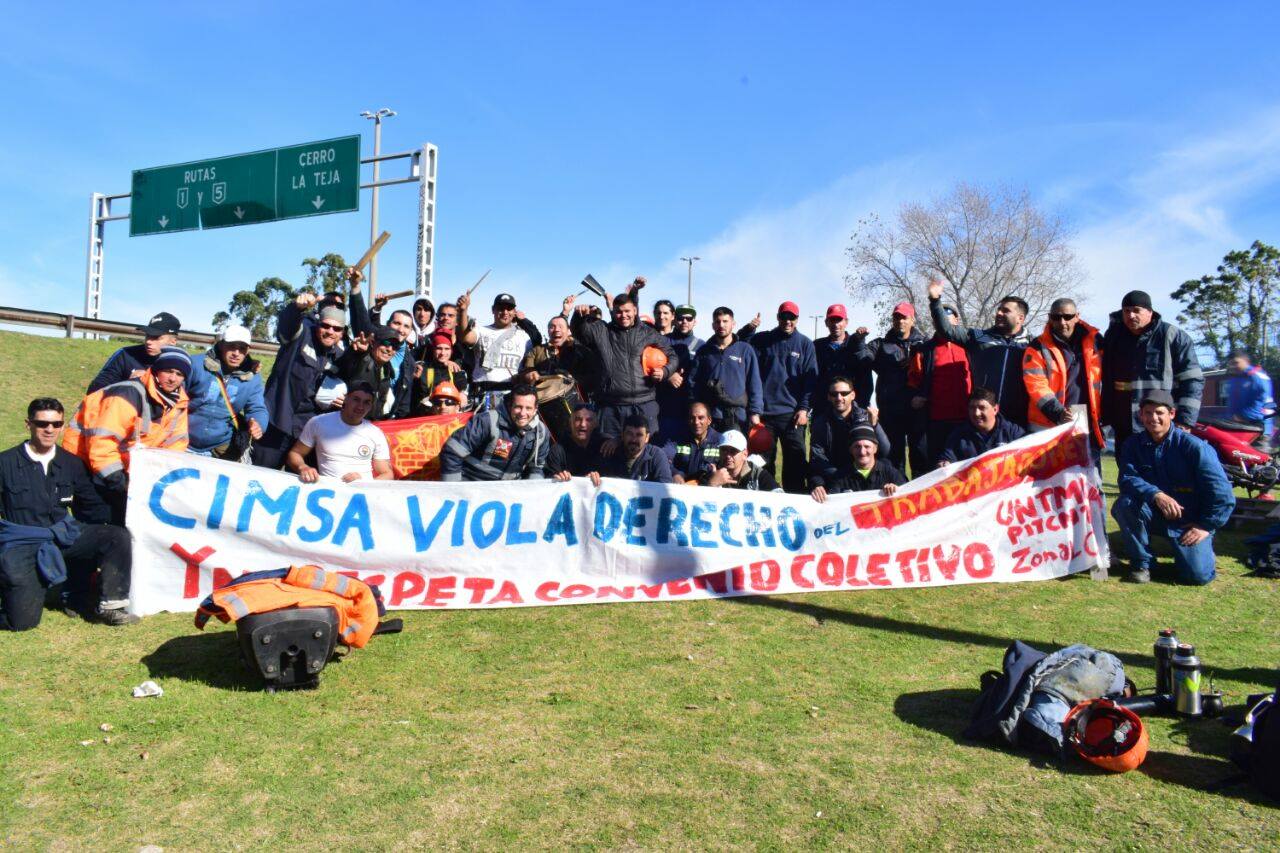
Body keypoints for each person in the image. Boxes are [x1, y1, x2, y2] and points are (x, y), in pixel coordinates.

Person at [0, 399, 136, 628]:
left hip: (62, 535)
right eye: (42, 423)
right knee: (22, 622)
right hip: (22, 543)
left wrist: (131, 509)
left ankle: (110, 606)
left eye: (56, 424)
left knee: (115, 536)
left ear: (62, 426)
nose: (49, 429)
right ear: (28, 424)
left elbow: (92, 505)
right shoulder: (5, 463)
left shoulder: (71, 463)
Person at [1112, 390, 1235, 584]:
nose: (1153, 418)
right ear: (1141, 415)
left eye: (1159, 412)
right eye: (1148, 413)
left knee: (1197, 577)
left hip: (1189, 521)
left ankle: (1200, 556)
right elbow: (1127, 478)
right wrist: (1156, 494)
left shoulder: (1194, 447)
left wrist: (1205, 525)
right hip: (1154, 514)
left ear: (1172, 414)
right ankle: (1142, 564)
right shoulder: (1132, 445)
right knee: (1124, 504)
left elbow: (1221, 492)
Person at [63, 347, 191, 524]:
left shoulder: (179, 403)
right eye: (168, 371)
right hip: (88, 466)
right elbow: (103, 443)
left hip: (127, 473)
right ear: (156, 370)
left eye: (179, 374)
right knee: (99, 526)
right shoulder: (127, 394)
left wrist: (160, 477)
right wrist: (120, 482)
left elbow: (176, 445)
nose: (173, 378)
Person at [252, 290, 348, 469]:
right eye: (326, 326)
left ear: (342, 332)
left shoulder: (341, 356)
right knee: (260, 475)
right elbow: (287, 327)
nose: (330, 331)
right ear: (318, 322)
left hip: (305, 434)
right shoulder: (302, 332)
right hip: (276, 422)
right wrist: (296, 308)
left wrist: (343, 400)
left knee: (297, 481)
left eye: (336, 329)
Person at [1100, 289, 1203, 453]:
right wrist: (1105, 419)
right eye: (1126, 311)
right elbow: (1106, 381)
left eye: (1136, 310)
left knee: (1163, 468)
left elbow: (1192, 380)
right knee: (1127, 468)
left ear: (1150, 312)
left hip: (1161, 427)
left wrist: (1185, 421)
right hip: (1124, 428)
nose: (1131, 315)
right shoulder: (1113, 338)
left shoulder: (1173, 337)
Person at [570, 293, 677, 441]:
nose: (623, 315)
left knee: (646, 448)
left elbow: (672, 356)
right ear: (613, 312)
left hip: (644, 404)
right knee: (608, 449)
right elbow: (579, 332)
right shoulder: (601, 330)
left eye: (627, 311)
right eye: (619, 312)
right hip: (610, 407)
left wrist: (665, 372)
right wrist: (578, 316)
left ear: (635, 310)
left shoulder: (648, 332)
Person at [927, 278, 1032, 427]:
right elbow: (947, 330)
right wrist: (935, 300)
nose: (999, 313)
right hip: (983, 418)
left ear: (1020, 318)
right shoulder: (979, 337)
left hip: (1019, 420)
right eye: (999, 309)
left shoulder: (1033, 344)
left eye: (1005, 311)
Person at [750, 300, 818, 493]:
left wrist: (804, 409)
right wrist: (750, 328)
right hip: (765, 415)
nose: (788, 321)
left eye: (792, 317)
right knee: (763, 464)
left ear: (797, 319)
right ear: (778, 317)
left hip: (793, 415)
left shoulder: (805, 344)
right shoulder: (763, 340)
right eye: (784, 317)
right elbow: (739, 344)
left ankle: (794, 499)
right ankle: (767, 498)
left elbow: (810, 381)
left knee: (795, 464)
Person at [1022, 298, 1104, 458]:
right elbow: (1036, 385)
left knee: (1088, 473)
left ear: (1077, 316)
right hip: (1048, 428)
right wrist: (1058, 413)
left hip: (1088, 423)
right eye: (1056, 317)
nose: (1062, 322)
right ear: (1049, 317)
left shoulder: (1096, 341)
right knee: (1049, 474)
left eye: (1067, 317)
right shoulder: (1037, 347)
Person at [852, 301, 926, 473]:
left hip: (918, 411)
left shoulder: (924, 344)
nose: (900, 321)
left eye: (904, 317)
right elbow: (863, 359)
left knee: (921, 458)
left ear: (912, 320)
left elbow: (932, 374)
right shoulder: (881, 344)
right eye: (896, 317)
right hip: (891, 412)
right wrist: (859, 341)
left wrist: (924, 395)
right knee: (893, 461)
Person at [186, 325, 268, 460]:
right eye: (231, 346)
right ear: (221, 345)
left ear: (248, 350)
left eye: (242, 348)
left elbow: (257, 408)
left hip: (220, 445)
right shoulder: (196, 364)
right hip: (183, 440)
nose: (236, 353)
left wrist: (258, 423)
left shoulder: (252, 378)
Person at [86, 310, 209, 399]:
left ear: (173, 341)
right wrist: (127, 385)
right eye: (148, 336)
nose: (149, 341)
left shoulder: (182, 364)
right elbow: (94, 391)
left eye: (156, 337)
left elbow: (188, 400)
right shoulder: (125, 355)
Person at [907, 306, 971, 474]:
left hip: (967, 420)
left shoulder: (969, 346)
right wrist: (915, 398)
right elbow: (913, 382)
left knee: (967, 471)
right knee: (937, 471)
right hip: (936, 423)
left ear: (956, 320)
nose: (943, 325)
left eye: (946, 321)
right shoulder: (924, 350)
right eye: (939, 321)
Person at [287, 382, 393, 483]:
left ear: (371, 406)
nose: (360, 406)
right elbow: (295, 453)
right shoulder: (319, 422)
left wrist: (365, 483)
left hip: (363, 492)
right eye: (356, 399)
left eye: (366, 402)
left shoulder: (375, 433)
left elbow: (387, 473)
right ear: (345, 399)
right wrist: (303, 468)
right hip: (330, 491)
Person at [441, 384, 549, 481]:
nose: (523, 413)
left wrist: (534, 490)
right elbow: (452, 452)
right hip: (472, 485)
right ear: (510, 405)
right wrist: (454, 489)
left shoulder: (541, 433)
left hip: (507, 491)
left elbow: (536, 468)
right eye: (518, 407)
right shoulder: (487, 421)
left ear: (535, 409)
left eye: (528, 408)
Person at [808, 376, 890, 502]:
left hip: (864, 471)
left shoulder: (866, 416)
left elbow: (885, 451)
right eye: (834, 394)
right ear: (828, 397)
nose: (839, 398)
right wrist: (841, 477)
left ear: (853, 395)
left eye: (844, 393)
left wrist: (875, 425)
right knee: (815, 480)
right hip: (835, 475)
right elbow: (817, 458)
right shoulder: (820, 423)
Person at [689, 306, 763, 435]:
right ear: (713, 325)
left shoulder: (745, 350)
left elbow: (754, 384)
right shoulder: (704, 351)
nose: (721, 325)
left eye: (725, 321)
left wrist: (755, 412)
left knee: (735, 449)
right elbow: (693, 383)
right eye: (717, 322)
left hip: (738, 418)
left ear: (733, 324)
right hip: (710, 417)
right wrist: (695, 407)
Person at [520, 313, 586, 443]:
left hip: (575, 397)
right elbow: (527, 370)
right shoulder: (537, 350)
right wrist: (529, 375)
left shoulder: (577, 349)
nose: (556, 330)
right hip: (545, 403)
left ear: (568, 330)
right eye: (552, 327)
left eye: (560, 326)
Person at [461, 292, 535, 405]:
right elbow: (465, 337)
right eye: (500, 308)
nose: (505, 312)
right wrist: (463, 311)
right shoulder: (480, 330)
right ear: (493, 310)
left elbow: (528, 366)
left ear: (514, 312)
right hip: (482, 393)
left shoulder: (524, 337)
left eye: (509, 308)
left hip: (511, 394)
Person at [338, 325, 414, 421]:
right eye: (386, 343)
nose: (389, 349)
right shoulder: (362, 360)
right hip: (347, 423)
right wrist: (355, 351)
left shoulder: (387, 369)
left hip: (369, 424)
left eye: (395, 347)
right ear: (373, 343)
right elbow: (346, 363)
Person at [937, 387, 1026, 467]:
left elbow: (1028, 456)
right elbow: (947, 459)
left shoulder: (1013, 432)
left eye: (982, 407)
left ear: (995, 409)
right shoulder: (958, 435)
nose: (976, 413)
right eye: (972, 408)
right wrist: (944, 465)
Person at [814, 425, 906, 498]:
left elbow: (908, 495)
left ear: (875, 449)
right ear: (851, 450)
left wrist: (898, 490)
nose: (862, 452)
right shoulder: (839, 477)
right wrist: (818, 494)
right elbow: (831, 506)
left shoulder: (891, 474)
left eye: (867, 446)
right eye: (857, 447)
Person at [656, 304, 703, 441]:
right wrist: (668, 375)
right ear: (674, 319)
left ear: (695, 321)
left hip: (689, 407)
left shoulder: (702, 345)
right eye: (681, 318)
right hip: (664, 406)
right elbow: (650, 366)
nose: (684, 322)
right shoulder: (662, 341)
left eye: (689, 319)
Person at [594, 415, 673, 484]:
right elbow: (597, 479)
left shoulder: (657, 455)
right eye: (629, 434)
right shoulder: (610, 453)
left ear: (647, 437)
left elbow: (664, 487)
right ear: (622, 435)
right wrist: (593, 477)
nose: (634, 440)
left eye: (639, 435)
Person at [1224, 349, 1275, 449]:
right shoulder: (1235, 379)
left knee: (1258, 456)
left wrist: (1242, 417)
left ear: (1246, 361)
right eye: (1230, 364)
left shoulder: (1258, 376)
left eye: (1236, 363)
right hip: (1238, 427)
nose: (1233, 366)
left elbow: (1266, 403)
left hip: (1258, 430)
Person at [701, 430, 782, 492]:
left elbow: (781, 497)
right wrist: (711, 484)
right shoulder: (712, 473)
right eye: (724, 450)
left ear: (745, 454)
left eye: (733, 451)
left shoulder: (758, 475)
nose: (728, 456)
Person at [663, 402, 723, 484]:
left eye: (700, 418)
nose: (696, 422)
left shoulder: (721, 441)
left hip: (709, 488)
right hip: (681, 487)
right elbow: (662, 458)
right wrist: (674, 474)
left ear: (709, 420)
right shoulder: (677, 439)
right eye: (692, 418)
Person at [412, 332, 469, 416]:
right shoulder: (423, 369)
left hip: (450, 416)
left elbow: (463, 394)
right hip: (428, 414)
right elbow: (418, 396)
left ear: (451, 351)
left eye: (447, 349)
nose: (443, 353)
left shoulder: (456, 369)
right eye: (439, 348)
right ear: (433, 350)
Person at [814, 304, 860, 406]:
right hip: (823, 407)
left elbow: (865, 380)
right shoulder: (817, 346)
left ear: (846, 322)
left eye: (839, 320)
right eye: (832, 320)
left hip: (851, 408)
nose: (835, 324)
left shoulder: (856, 346)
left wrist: (861, 406)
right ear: (826, 322)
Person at [546, 404, 605, 481]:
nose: (583, 424)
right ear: (570, 422)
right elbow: (549, 481)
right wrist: (558, 477)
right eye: (578, 419)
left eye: (588, 420)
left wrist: (616, 441)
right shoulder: (557, 450)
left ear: (596, 424)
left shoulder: (605, 446)